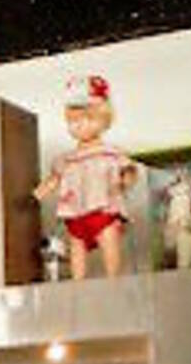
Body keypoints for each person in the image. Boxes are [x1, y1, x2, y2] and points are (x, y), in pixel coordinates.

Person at [35, 75, 137, 279]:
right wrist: (38, 193)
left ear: (104, 121)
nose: (80, 125)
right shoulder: (67, 158)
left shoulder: (111, 152)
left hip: (103, 209)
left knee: (108, 240)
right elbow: (54, 179)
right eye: (73, 121)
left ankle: (113, 279)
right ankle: (78, 284)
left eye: (89, 119)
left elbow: (128, 169)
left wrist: (125, 180)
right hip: (76, 212)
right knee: (76, 245)